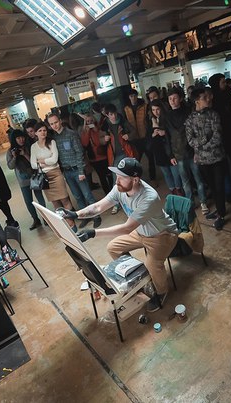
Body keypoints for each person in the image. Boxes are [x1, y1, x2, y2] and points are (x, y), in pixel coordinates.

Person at [64, 158, 179, 312]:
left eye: (122, 177)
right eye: (117, 176)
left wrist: (93, 233)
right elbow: (98, 207)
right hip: (140, 232)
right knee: (113, 247)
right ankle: (137, 276)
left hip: (161, 235)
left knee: (152, 264)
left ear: (135, 180)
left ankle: (161, 292)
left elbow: (126, 228)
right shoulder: (120, 188)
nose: (117, 181)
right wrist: (75, 214)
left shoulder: (149, 197)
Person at [47, 113, 100, 229]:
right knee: (77, 196)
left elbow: (79, 152)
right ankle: (85, 216)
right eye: (51, 124)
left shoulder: (71, 134)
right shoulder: (54, 138)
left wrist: (81, 171)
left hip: (77, 170)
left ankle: (96, 216)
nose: (54, 125)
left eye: (56, 122)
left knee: (87, 194)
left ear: (60, 121)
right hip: (67, 171)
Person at [185, 87, 227, 230]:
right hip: (202, 161)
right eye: (204, 98)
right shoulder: (190, 120)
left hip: (217, 158)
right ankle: (219, 210)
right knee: (213, 188)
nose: (208, 99)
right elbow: (191, 141)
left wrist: (202, 146)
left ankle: (221, 215)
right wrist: (205, 138)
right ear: (197, 101)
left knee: (219, 187)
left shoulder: (213, 115)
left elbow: (218, 137)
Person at [165, 87, 209, 214]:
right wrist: (170, 155)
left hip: (192, 151)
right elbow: (167, 137)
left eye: (175, 98)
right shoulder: (166, 116)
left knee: (198, 178)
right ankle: (190, 203)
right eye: (170, 99)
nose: (172, 101)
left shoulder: (188, 112)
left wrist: (197, 150)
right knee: (185, 182)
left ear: (180, 99)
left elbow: (196, 132)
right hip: (178, 154)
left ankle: (203, 201)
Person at [29, 121, 77, 231]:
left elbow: (54, 160)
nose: (43, 132)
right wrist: (47, 161)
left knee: (65, 199)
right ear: (35, 133)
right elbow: (33, 164)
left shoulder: (52, 142)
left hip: (56, 174)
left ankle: (71, 224)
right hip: (45, 178)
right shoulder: (33, 147)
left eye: (44, 130)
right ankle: (64, 225)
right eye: (40, 131)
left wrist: (41, 161)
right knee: (55, 203)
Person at [6, 130, 46, 230]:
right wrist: (14, 156)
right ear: (14, 139)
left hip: (34, 177)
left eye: (22, 137)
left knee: (40, 198)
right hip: (23, 180)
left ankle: (46, 218)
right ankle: (35, 219)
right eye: (18, 138)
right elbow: (10, 166)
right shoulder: (10, 151)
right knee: (28, 201)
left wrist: (24, 154)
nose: (21, 140)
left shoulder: (29, 146)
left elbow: (35, 161)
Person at [103, 103, 138, 214]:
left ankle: (135, 199)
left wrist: (129, 136)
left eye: (114, 113)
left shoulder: (123, 121)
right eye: (111, 114)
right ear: (107, 115)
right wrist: (104, 139)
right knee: (116, 180)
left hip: (125, 152)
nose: (114, 116)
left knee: (130, 176)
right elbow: (99, 139)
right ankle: (117, 203)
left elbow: (133, 131)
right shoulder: (105, 125)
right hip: (114, 156)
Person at [149, 99, 183, 195]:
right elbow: (147, 138)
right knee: (166, 173)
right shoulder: (150, 121)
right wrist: (153, 134)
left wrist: (165, 133)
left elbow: (174, 133)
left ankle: (178, 189)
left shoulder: (167, 118)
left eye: (157, 109)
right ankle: (173, 190)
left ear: (161, 109)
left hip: (170, 150)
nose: (156, 112)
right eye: (153, 110)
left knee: (176, 173)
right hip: (158, 150)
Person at [123, 88, 156, 183]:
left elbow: (149, 119)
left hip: (145, 137)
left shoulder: (144, 106)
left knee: (151, 158)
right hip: (134, 139)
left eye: (134, 96)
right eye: (131, 96)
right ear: (129, 97)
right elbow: (125, 123)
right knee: (135, 161)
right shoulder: (126, 109)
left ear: (137, 96)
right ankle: (136, 179)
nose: (133, 98)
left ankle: (153, 178)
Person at [80, 114, 113, 195]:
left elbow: (99, 142)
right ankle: (108, 194)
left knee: (109, 175)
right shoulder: (84, 132)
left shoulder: (99, 129)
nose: (90, 122)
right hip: (94, 159)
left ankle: (113, 191)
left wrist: (95, 130)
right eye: (87, 121)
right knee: (102, 177)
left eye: (91, 120)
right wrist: (88, 132)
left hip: (104, 156)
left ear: (94, 121)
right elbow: (85, 143)